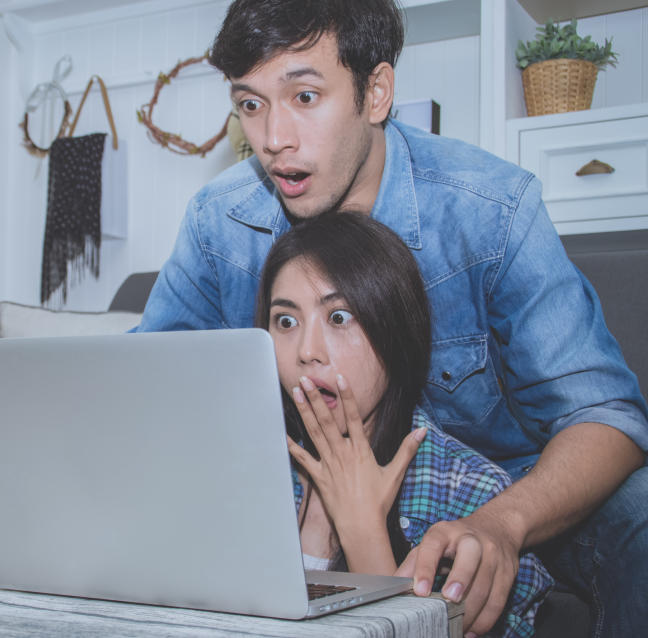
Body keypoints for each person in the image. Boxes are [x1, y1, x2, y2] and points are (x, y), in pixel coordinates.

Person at [135, 1, 648, 636]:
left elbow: (605, 416)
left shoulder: (491, 209)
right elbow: (147, 389)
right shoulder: (220, 220)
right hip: (308, 483)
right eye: (250, 104)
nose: (273, 139)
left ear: (376, 92)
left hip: (505, 488)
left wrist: (501, 522)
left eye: (304, 96)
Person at [257, 211, 551, 637]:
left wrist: (363, 533)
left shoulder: (474, 498)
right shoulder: (243, 465)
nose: (307, 351)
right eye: (286, 320)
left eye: (339, 317)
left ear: (396, 329)